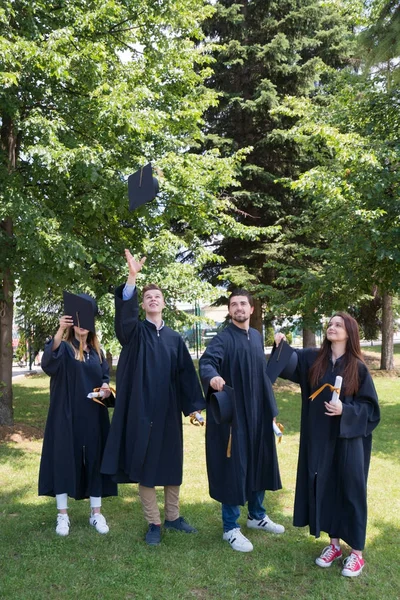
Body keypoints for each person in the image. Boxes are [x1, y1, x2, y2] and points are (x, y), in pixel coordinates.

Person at [101, 250, 205, 546]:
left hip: (169, 409)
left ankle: (172, 516)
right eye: (148, 298)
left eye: (157, 297)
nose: (153, 300)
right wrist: (132, 277)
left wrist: (193, 409)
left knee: (172, 463)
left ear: (164, 304)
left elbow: (186, 374)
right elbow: (123, 320)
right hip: (141, 409)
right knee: (145, 464)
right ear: (143, 305)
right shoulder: (134, 333)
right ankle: (153, 522)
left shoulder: (174, 338)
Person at [273, 312, 380, 577]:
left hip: (348, 442)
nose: (332, 327)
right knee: (327, 485)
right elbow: (291, 364)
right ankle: (333, 545)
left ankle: (357, 553)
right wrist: (281, 346)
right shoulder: (314, 359)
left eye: (338, 325)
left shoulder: (358, 367)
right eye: (330, 324)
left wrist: (346, 409)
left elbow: (371, 410)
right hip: (320, 437)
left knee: (351, 490)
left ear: (349, 332)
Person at [199, 289, 284, 553]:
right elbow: (206, 362)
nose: (239, 308)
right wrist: (213, 376)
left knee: (259, 462)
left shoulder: (256, 337)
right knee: (233, 468)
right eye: (234, 304)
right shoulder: (223, 339)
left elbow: (261, 373)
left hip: (257, 414)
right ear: (229, 310)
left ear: (251, 309)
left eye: (243, 304)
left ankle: (257, 516)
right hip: (234, 417)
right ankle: (230, 528)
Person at [39, 294, 117, 536]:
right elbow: (47, 364)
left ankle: (96, 513)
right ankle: (62, 516)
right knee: (63, 459)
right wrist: (60, 331)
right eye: (77, 320)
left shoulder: (98, 352)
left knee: (95, 460)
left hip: (93, 415)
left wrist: (106, 390)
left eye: (86, 320)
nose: (82, 325)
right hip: (65, 414)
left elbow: (104, 378)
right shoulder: (63, 348)